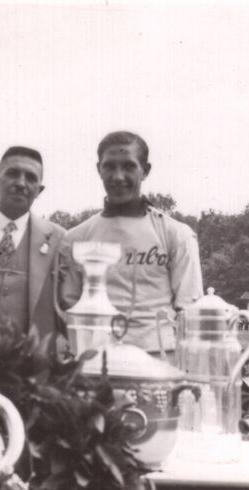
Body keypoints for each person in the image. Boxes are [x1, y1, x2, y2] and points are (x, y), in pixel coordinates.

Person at [58, 131, 203, 354]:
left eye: (128, 166)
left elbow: (190, 312)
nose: (118, 176)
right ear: (99, 169)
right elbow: (69, 310)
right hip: (97, 361)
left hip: (159, 359)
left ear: (145, 170)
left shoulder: (176, 235)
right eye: (109, 166)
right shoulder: (75, 239)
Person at [0, 146, 66, 351]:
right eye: (13, 174)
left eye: (31, 178)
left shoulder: (59, 240)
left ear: (39, 190)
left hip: (31, 360)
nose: (21, 183)